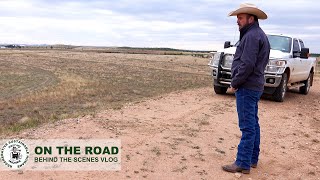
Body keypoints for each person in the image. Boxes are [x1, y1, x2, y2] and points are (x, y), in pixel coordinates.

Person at [222, 3, 270, 174]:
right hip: (254, 86)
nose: (237, 21)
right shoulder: (258, 34)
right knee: (253, 124)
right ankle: (252, 158)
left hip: (247, 86)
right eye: (237, 18)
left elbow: (247, 64)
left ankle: (243, 162)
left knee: (247, 126)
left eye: (240, 18)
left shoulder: (251, 36)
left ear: (251, 19)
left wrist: (235, 82)